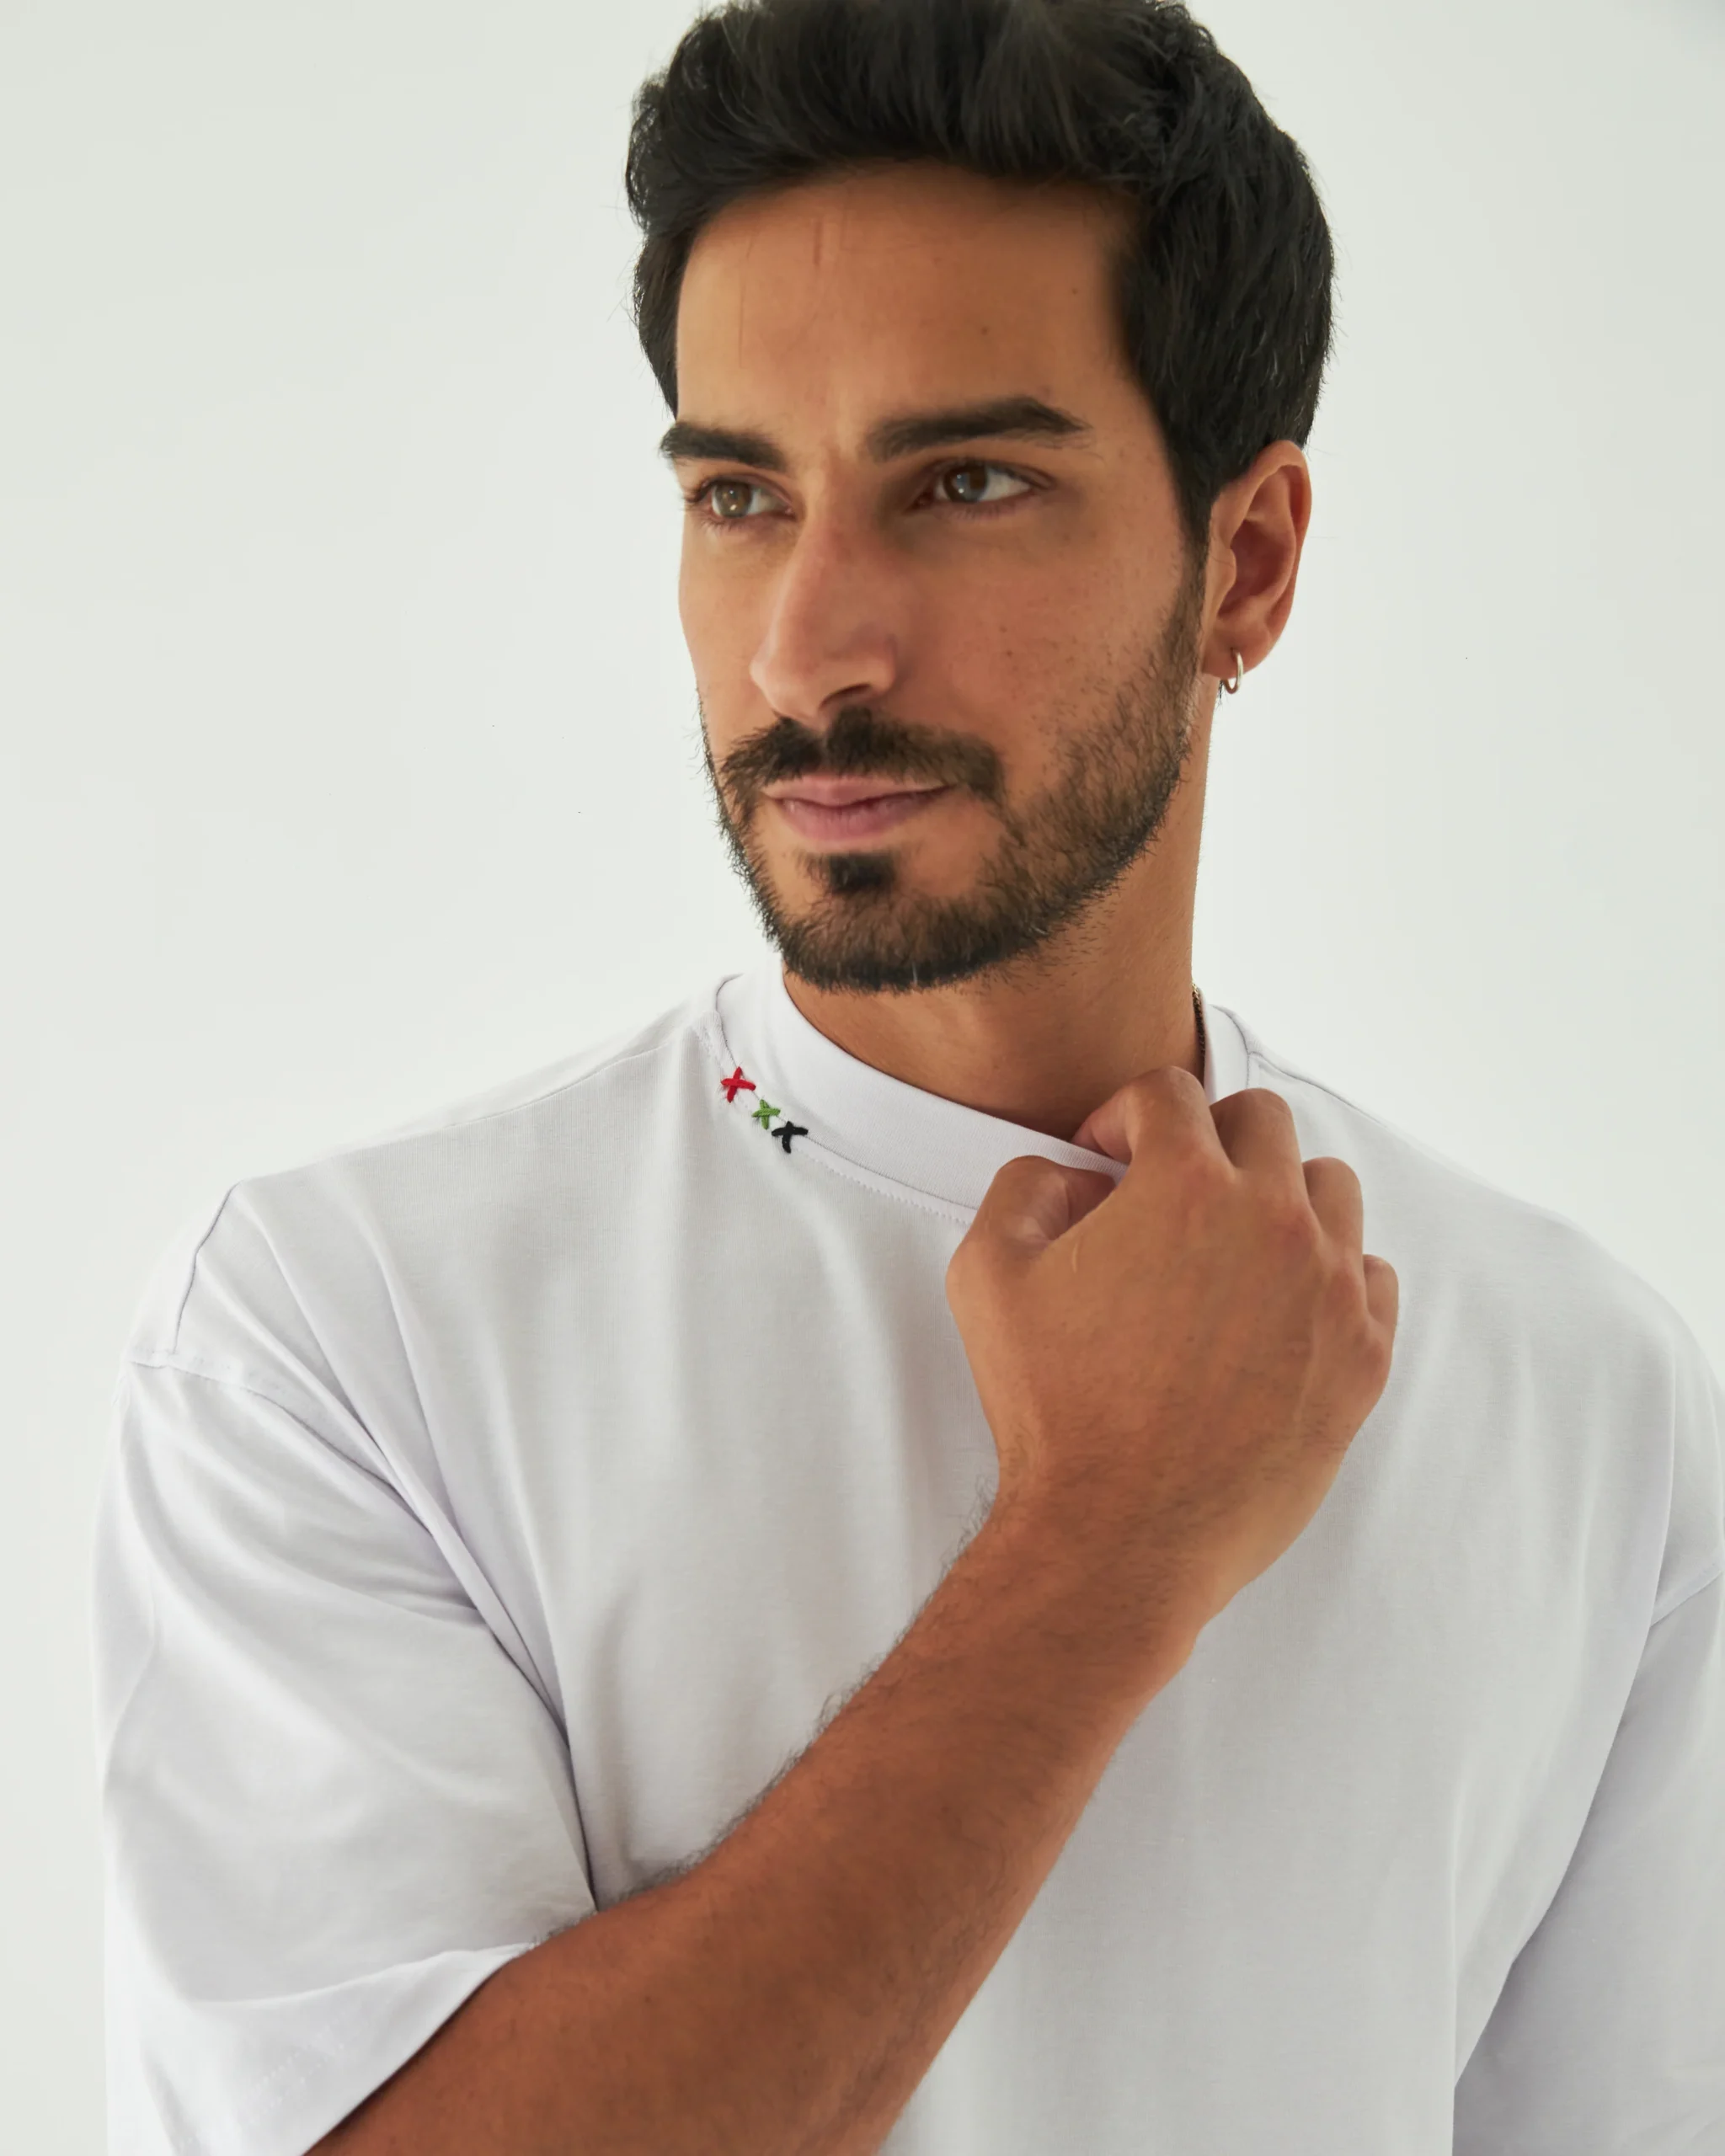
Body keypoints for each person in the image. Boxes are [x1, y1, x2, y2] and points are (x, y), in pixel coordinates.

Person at [93, 0, 1725, 2150]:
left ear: (1244, 562)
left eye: (966, 485)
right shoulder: (341, 1333)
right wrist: (1105, 1539)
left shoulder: (1579, 1386)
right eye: (740, 495)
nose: (806, 648)